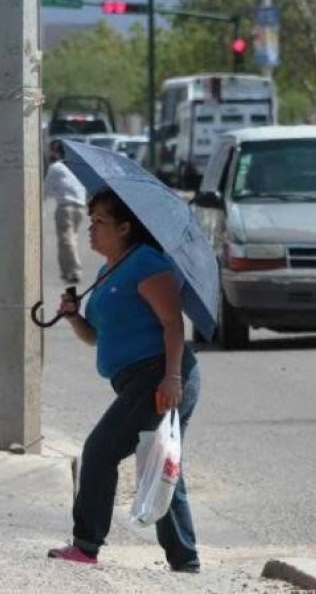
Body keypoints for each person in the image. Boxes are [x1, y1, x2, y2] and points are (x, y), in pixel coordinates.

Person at [48, 187, 201, 573]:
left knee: (100, 451)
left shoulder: (147, 263)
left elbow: (172, 325)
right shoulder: (107, 272)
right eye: (91, 221)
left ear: (125, 228)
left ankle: (86, 544)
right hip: (139, 378)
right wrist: (73, 317)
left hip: (158, 374)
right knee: (160, 460)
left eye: (100, 222)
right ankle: (185, 560)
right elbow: (96, 337)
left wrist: (171, 378)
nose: (91, 229)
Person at [43, 141, 87, 284]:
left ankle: (74, 270)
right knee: (69, 239)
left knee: (67, 240)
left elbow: (46, 189)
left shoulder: (56, 167)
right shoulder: (75, 167)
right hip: (80, 206)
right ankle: (66, 271)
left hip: (66, 207)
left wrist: (39, 204)